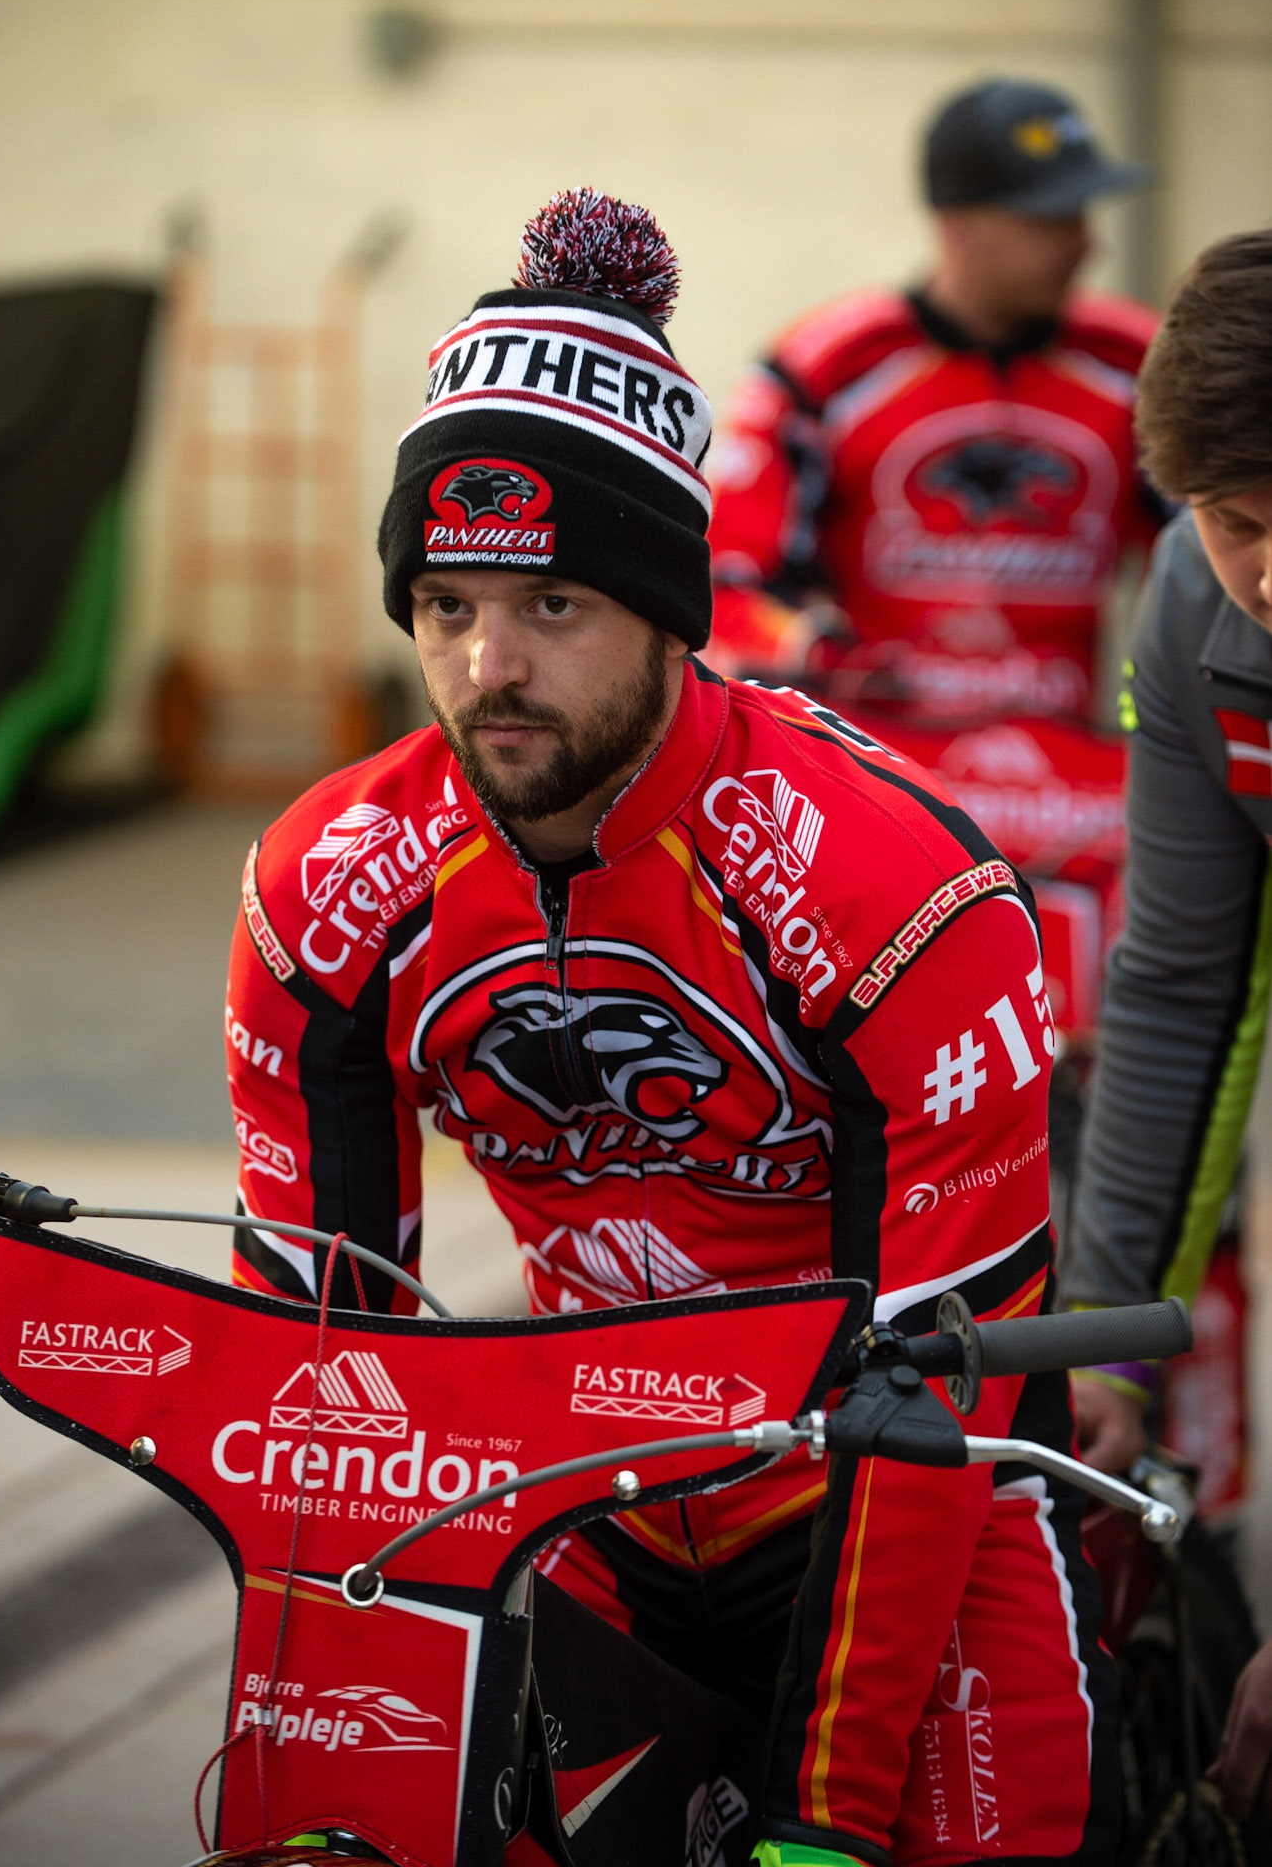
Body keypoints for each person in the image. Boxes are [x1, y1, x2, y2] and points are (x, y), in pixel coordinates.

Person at [225, 188, 1117, 1865]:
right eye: (444, 605)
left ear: (667, 608)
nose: (488, 665)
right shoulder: (323, 888)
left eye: (552, 605)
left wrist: (824, 1815)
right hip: (585, 1492)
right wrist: (327, 1751)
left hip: (901, 1496)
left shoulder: (891, 885)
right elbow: (320, 1370)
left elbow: (931, 1403)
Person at [1058, 227, 1272, 1826]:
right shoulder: (1194, 605)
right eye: (1236, 522)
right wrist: (1101, 1329)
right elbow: (1179, 981)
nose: (1267, 576)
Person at [705, 76, 1162, 726]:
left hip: (1074, 789)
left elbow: (1220, 566)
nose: (1086, 245)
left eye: (1081, 216)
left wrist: (1145, 728)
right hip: (880, 775)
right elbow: (730, 587)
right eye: (1050, 220)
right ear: (957, 224)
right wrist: (825, 657)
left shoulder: (1139, 366)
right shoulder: (826, 370)